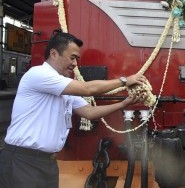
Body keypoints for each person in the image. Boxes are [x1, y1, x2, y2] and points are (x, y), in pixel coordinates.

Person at [0, 32, 148, 188]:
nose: (75, 64)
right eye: (72, 57)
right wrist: (125, 81)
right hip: (23, 161)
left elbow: (89, 112)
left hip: (47, 163)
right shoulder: (39, 74)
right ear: (54, 53)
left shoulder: (63, 85)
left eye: (77, 59)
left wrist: (124, 104)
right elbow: (88, 89)